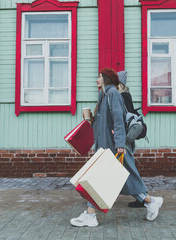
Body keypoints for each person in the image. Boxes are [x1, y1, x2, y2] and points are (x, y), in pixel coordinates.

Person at [70, 68, 163, 227]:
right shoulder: (103, 95)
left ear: (106, 79)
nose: (96, 80)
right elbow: (105, 122)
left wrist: (120, 145)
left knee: (105, 179)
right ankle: (150, 202)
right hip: (105, 146)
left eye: (99, 77)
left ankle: (90, 216)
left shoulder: (113, 94)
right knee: (120, 179)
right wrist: (91, 120)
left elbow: (118, 121)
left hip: (114, 146)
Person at [117, 70, 145, 208]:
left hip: (126, 137)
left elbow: (126, 116)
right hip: (125, 135)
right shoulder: (123, 94)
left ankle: (143, 198)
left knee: (129, 168)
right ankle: (142, 197)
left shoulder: (124, 95)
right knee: (128, 167)